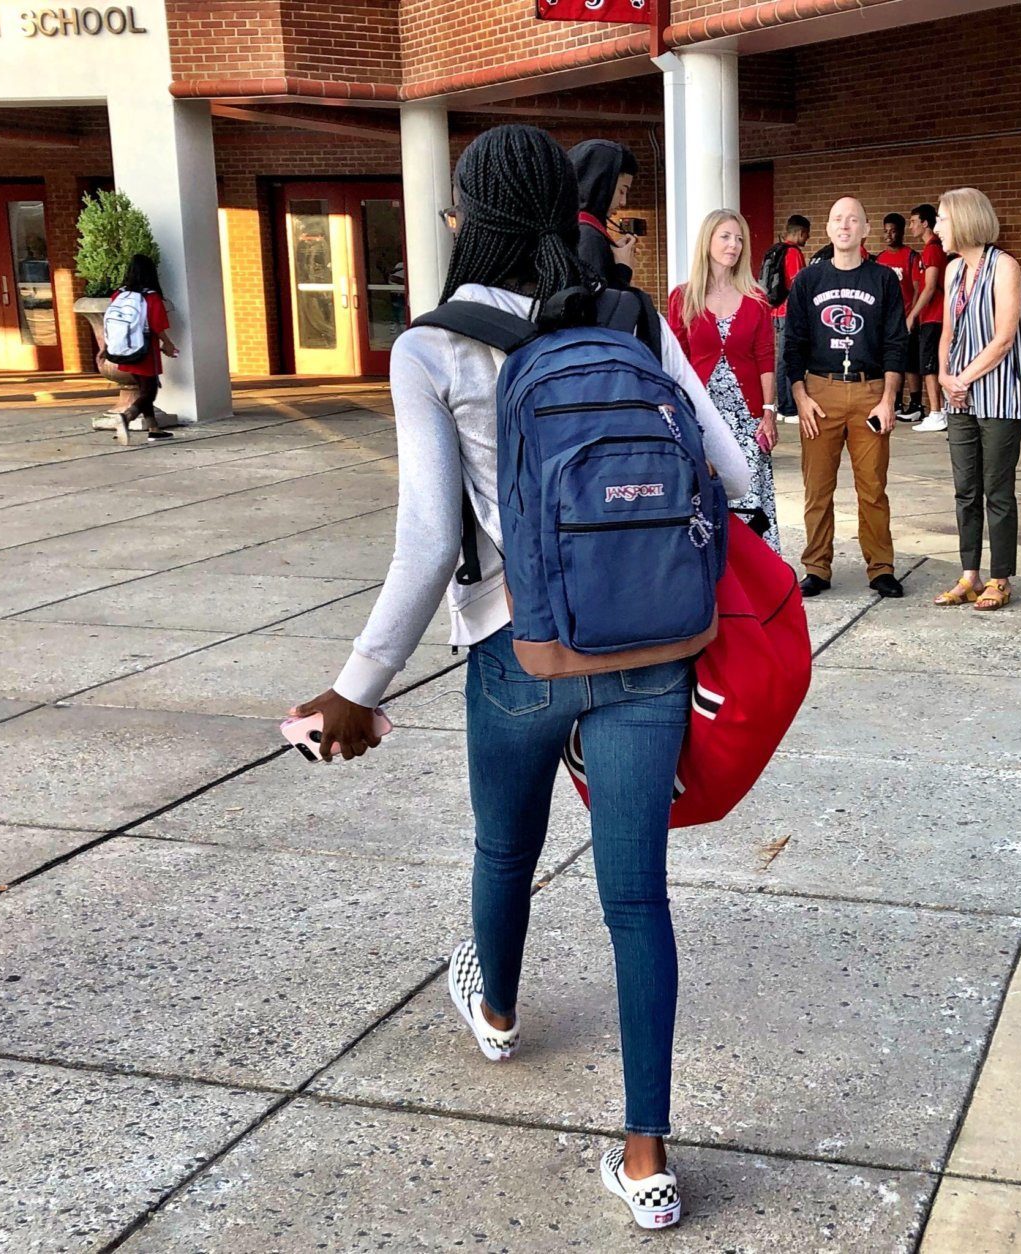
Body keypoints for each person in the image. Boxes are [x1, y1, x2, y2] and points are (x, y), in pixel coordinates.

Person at [290, 125, 749, 1231]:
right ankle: (647, 1160)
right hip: (649, 650)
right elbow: (732, 471)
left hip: (516, 648)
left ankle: (496, 1011)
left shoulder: (431, 347)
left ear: (463, 220)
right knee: (636, 899)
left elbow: (424, 543)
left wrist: (357, 689)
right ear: (568, 213)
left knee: (506, 848)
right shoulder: (629, 318)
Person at [784, 196, 908, 599]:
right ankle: (816, 567)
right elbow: (793, 344)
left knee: (872, 487)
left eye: (853, 219)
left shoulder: (883, 279)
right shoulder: (809, 280)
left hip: (870, 390)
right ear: (828, 227)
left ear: (865, 229)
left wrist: (888, 398)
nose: (844, 225)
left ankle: (881, 568)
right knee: (817, 488)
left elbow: (895, 342)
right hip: (820, 391)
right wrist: (800, 396)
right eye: (837, 218)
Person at [932, 187, 1021, 611]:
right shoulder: (953, 270)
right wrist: (944, 376)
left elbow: (1004, 338)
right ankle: (969, 575)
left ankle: (1000, 578)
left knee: (997, 491)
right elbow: (947, 333)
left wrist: (962, 379)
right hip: (960, 397)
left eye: (941, 220)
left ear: (965, 220)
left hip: (999, 396)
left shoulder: (1004, 267)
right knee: (965, 490)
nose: (937, 228)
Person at [667, 209, 781, 552]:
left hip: (746, 417)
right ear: (708, 241)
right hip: (701, 417)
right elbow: (676, 362)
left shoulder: (756, 299)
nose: (734, 245)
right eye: (726, 237)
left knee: (748, 498)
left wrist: (769, 411)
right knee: (704, 496)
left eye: (740, 239)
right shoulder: (683, 297)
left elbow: (765, 357)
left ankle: (756, 569)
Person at [110, 253, 177, 446]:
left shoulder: (119, 294)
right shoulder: (150, 296)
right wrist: (168, 343)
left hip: (124, 349)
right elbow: (157, 325)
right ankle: (127, 417)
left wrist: (106, 347)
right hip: (145, 349)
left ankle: (154, 429)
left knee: (143, 389)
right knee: (150, 391)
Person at [568, 140, 639, 290]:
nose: (623, 202)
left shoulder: (575, 229)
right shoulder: (588, 236)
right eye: (621, 191)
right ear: (600, 184)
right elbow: (602, 301)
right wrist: (623, 267)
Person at [759, 214, 810, 424]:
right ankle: (790, 409)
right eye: (806, 234)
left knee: (781, 358)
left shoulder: (775, 250)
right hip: (789, 311)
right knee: (790, 357)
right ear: (800, 232)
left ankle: (782, 406)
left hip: (775, 310)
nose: (807, 238)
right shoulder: (793, 253)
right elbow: (797, 285)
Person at [876, 213, 923, 421]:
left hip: (906, 317)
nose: (889, 235)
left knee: (910, 362)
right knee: (892, 361)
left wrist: (912, 315)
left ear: (902, 232)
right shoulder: (880, 259)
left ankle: (916, 403)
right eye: (886, 231)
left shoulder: (911, 256)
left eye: (893, 231)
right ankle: (895, 402)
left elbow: (918, 288)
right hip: (887, 320)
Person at [908, 203, 948, 432]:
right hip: (929, 316)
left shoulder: (933, 249)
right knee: (931, 364)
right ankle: (940, 411)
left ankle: (936, 412)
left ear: (925, 223)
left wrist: (912, 314)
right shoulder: (927, 251)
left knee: (930, 365)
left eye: (914, 222)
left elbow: (930, 287)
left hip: (935, 316)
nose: (911, 226)